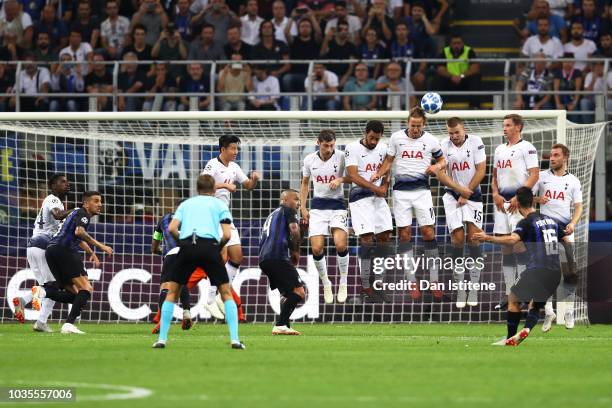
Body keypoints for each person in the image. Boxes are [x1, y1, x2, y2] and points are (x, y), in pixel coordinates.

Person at [152, 174, 245, 349]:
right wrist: (218, 247)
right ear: (214, 189)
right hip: (210, 246)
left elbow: (172, 228)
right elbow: (227, 234)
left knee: (172, 292)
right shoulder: (219, 204)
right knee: (225, 292)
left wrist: (183, 242)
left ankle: (161, 340)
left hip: (187, 246)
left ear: (197, 188)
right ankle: (235, 340)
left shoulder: (186, 204)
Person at [474, 187, 571, 346]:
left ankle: (510, 338)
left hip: (537, 269)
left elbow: (512, 240)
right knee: (535, 305)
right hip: (555, 272)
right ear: (533, 201)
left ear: (517, 203)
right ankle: (526, 328)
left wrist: (487, 238)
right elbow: (566, 241)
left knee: (513, 300)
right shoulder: (550, 220)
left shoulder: (525, 222)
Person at [373, 107, 446, 300]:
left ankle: (434, 280)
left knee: (428, 232)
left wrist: (436, 166)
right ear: (408, 123)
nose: (415, 129)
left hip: (422, 192)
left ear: (424, 124)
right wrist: (379, 174)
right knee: (404, 235)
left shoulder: (431, 140)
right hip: (400, 193)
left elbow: (443, 160)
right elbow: (388, 161)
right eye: (412, 125)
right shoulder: (396, 138)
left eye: (418, 126)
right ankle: (411, 281)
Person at [34, 191, 113, 334]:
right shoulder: (83, 214)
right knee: (86, 288)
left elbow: (76, 235)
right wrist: (101, 246)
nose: (100, 204)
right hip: (65, 250)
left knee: (76, 297)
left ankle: (42, 292)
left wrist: (91, 253)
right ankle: (68, 324)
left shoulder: (75, 213)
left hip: (52, 251)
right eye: (96, 201)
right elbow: (79, 232)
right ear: (86, 203)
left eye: (100, 201)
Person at [201, 135, 260, 321]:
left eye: (237, 149)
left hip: (225, 215)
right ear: (223, 149)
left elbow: (248, 186)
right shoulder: (212, 164)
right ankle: (210, 299)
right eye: (233, 148)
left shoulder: (234, 167)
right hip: (211, 214)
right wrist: (224, 185)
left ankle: (220, 293)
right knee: (222, 254)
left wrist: (254, 179)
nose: (236, 152)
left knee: (237, 256)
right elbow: (203, 185)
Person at [434, 117, 486, 308]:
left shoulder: (476, 142)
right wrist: (459, 190)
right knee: (457, 239)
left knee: (474, 239)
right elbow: (441, 173)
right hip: (452, 196)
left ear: (464, 130)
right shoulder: (443, 145)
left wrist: (467, 191)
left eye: (457, 132)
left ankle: (473, 287)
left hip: (473, 195)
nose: (454, 136)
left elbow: (481, 170)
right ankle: (460, 288)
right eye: (450, 133)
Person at [12, 174, 73, 332]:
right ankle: (28, 305)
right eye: (63, 182)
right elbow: (58, 215)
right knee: (54, 286)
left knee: (48, 286)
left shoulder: (54, 201)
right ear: (53, 185)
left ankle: (39, 321)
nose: (67, 184)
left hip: (33, 246)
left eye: (67, 182)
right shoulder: (53, 199)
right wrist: (78, 210)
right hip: (42, 246)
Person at [491, 114, 539, 306]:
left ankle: (524, 292)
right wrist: (494, 193)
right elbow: (494, 176)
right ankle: (509, 293)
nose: (504, 128)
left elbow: (534, 175)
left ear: (518, 127)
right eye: (503, 125)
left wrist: (518, 197)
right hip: (502, 203)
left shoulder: (527, 147)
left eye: (508, 125)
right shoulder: (499, 149)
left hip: (519, 204)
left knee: (519, 245)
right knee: (506, 247)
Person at [533, 144, 582, 331]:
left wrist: (573, 223)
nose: (551, 158)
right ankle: (548, 311)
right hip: (547, 229)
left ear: (565, 157)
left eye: (556, 155)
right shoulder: (542, 177)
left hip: (566, 229)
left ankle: (569, 310)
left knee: (569, 271)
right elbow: (526, 198)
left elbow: (578, 207)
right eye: (550, 155)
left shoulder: (574, 181)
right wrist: (538, 200)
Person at [344, 120, 393, 303]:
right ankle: (365, 287)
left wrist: (385, 184)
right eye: (371, 138)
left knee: (385, 237)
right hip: (359, 198)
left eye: (377, 139)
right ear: (366, 133)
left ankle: (378, 285)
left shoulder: (383, 148)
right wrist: (376, 187)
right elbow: (353, 176)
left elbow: (388, 170)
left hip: (379, 198)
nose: (374, 142)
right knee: (366, 239)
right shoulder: (352, 148)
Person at [300, 130, 349, 304]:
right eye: (325, 145)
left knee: (340, 244)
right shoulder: (309, 160)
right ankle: (326, 283)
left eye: (332, 145)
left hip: (338, 206)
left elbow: (354, 176)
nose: (329, 149)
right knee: (316, 248)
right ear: (318, 143)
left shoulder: (342, 156)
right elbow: (305, 183)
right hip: (318, 207)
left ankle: (343, 281)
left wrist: (341, 180)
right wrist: (303, 207)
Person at [259, 189, 304, 335]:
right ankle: (280, 324)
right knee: (299, 292)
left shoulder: (274, 214)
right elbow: (294, 230)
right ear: (285, 200)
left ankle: (285, 325)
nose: (298, 203)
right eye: (296, 199)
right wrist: (296, 251)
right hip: (277, 255)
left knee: (288, 293)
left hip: (264, 259)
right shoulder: (288, 210)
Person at [150, 207, 193, 334]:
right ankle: (186, 313)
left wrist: (160, 251)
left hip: (171, 253)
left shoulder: (163, 219)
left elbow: (155, 243)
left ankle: (163, 319)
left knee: (166, 286)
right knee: (182, 282)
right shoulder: (191, 219)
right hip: (188, 254)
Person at [435, 32, 481, 109]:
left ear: (463, 43)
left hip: (464, 79)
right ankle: (437, 106)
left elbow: (475, 68)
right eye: (454, 43)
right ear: (450, 44)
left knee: (476, 77)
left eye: (458, 43)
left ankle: (474, 106)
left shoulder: (469, 51)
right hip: (450, 79)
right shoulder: (444, 51)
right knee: (438, 79)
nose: (456, 45)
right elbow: (440, 69)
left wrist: (461, 76)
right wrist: (451, 76)